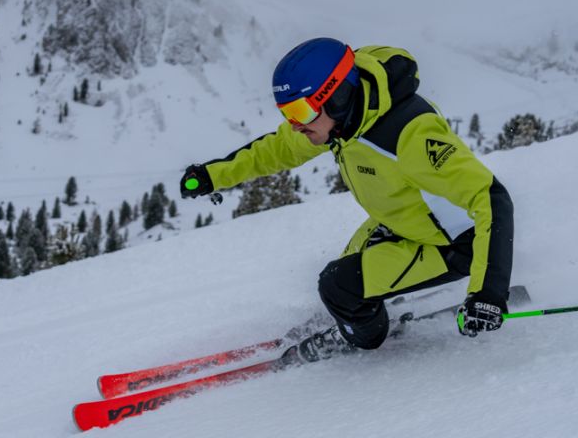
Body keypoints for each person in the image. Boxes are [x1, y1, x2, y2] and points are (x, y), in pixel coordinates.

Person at [180, 37, 513, 361]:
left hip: (453, 244)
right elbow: (278, 148)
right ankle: (353, 313)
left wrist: (487, 293)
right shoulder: (342, 121)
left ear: (337, 95)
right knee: (347, 270)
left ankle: (360, 337)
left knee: (339, 286)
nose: (294, 125)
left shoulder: (411, 134)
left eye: (299, 110)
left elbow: (491, 199)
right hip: (402, 221)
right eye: (286, 113)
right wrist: (213, 175)